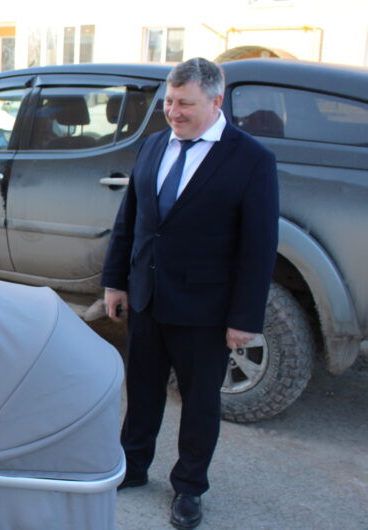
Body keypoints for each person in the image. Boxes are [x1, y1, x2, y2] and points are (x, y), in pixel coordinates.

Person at [101, 58, 278, 530]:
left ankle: (189, 487)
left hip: (205, 310)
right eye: (169, 101)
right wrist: (116, 280)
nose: (173, 112)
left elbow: (259, 248)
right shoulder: (155, 144)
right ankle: (132, 466)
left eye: (185, 104)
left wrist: (244, 318)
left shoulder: (251, 160)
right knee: (142, 392)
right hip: (147, 298)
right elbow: (131, 220)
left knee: (199, 405)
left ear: (217, 101)